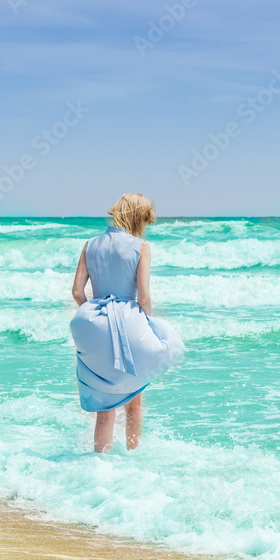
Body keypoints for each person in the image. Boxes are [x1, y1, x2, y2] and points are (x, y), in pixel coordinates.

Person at [70, 193, 185, 452]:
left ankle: (100, 462)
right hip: (128, 323)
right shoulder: (140, 247)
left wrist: (95, 317)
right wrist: (147, 325)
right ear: (137, 217)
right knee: (134, 402)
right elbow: (143, 298)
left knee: (104, 407)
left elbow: (77, 292)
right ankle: (134, 458)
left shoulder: (90, 245)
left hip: (93, 323)